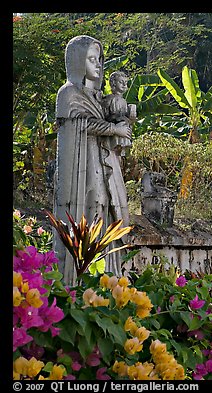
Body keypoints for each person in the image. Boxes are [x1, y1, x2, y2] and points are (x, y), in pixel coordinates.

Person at [53, 35, 131, 284]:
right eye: (91, 59)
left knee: (105, 204)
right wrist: (113, 130)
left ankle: (105, 273)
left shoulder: (100, 98)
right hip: (79, 163)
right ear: (77, 62)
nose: (97, 65)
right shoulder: (68, 93)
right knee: (91, 203)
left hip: (101, 160)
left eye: (99, 59)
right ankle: (82, 273)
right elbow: (80, 123)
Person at [102, 71, 136, 155]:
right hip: (114, 128)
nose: (124, 85)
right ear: (113, 83)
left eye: (126, 82)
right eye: (121, 82)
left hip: (123, 129)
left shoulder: (124, 101)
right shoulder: (109, 99)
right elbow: (104, 115)